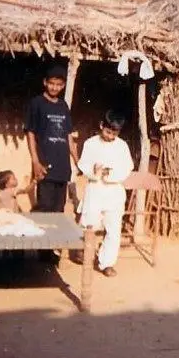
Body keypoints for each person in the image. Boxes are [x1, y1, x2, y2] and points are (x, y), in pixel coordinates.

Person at [77, 110, 134, 277]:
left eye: (114, 133)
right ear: (101, 126)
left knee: (113, 229)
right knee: (89, 224)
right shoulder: (90, 143)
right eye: (108, 132)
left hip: (114, 192)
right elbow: (83, 164)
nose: (110, 136)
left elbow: (127, 168)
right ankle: (86, 253)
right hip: (95, 190)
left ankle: (107, 262)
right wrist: (93, 170)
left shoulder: (122, 146)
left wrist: (111, 174)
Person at [25, 65, 78, 213]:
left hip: (62, 166)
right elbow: (30, 133)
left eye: (58, 85)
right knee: (45, 207)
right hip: (45, 165)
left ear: (63, 86)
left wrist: (76, 159)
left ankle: (56, 237)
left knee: (58, 209)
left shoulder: (63, 106)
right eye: (52, 83)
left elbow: (68, 135)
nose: (54, 87)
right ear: (45, 82)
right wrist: (35, 162)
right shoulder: (37, 103)